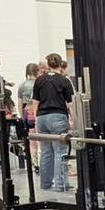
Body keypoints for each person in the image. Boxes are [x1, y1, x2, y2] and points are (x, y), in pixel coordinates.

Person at [32, 52, 75, 192]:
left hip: (42, 118)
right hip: (57, 117)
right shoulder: (64, 81)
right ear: (60, 64)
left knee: (45, 151)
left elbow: (35, 102)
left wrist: (36, 120)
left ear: (48, 64)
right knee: (60, 151)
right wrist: (74, 120)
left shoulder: (39, 80)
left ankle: (45, 183)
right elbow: (70, 104)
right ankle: (61, 184)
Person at [18, 64, 40, 172]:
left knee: (32, 140)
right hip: (38, 111)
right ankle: (41, 161)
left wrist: (22, 117)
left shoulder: (22, 85)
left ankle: (34, 162)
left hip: (27, 112)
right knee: (40, 139)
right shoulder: (39, 83)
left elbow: (20, 103)